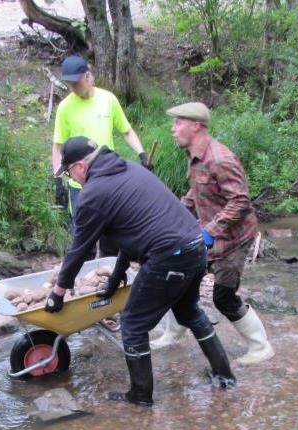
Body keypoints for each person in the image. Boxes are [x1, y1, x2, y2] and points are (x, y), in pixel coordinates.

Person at [44, 136, 236, 406]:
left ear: (79, 166)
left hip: (170, 255)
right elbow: (132, 234)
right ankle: (225, 377)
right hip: (195, 247)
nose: (71, 180)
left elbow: (79, 249)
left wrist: (58, 292)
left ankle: (141, 396)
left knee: (133, 325)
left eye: (69, 173)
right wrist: (115, 276)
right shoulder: (129, 168)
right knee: (189, 310)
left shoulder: (93, 192)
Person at [150, 102, 275, 366]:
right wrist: (174, 213)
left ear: (196, 126)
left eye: (178, 123)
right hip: (209, 236)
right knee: (179, 279)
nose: (173, 129)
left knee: (223, 297)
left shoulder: (221, 158)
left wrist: (210, 231)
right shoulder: (194, 156)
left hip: (234, 240)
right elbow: (197, 192)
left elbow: (240, 202)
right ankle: (173, 334)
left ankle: (261, 347)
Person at [51, 55, 150, 255]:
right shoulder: (65, 108)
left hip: (108, 181)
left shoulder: (108, 99)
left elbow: (126, 131)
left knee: (111, 239)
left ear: (88, 76)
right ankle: (82, 281)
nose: (73, 88)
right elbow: (58, 146)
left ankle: (109, 280)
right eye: (69, 84)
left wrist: (142, 154)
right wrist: (57, 177)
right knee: (82, 240)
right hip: (79, 185)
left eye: (76, 83)